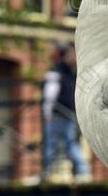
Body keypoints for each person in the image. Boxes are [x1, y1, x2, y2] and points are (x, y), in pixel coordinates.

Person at [42, 42, 90, 182]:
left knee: (57, 143)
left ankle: (51, 170)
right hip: (63, 114)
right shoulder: (63, 72)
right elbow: (52, 95)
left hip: (63, 114)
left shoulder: (62, 72)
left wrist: (48, 113)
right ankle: (80, 170)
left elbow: (50, 95)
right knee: (62, 143)